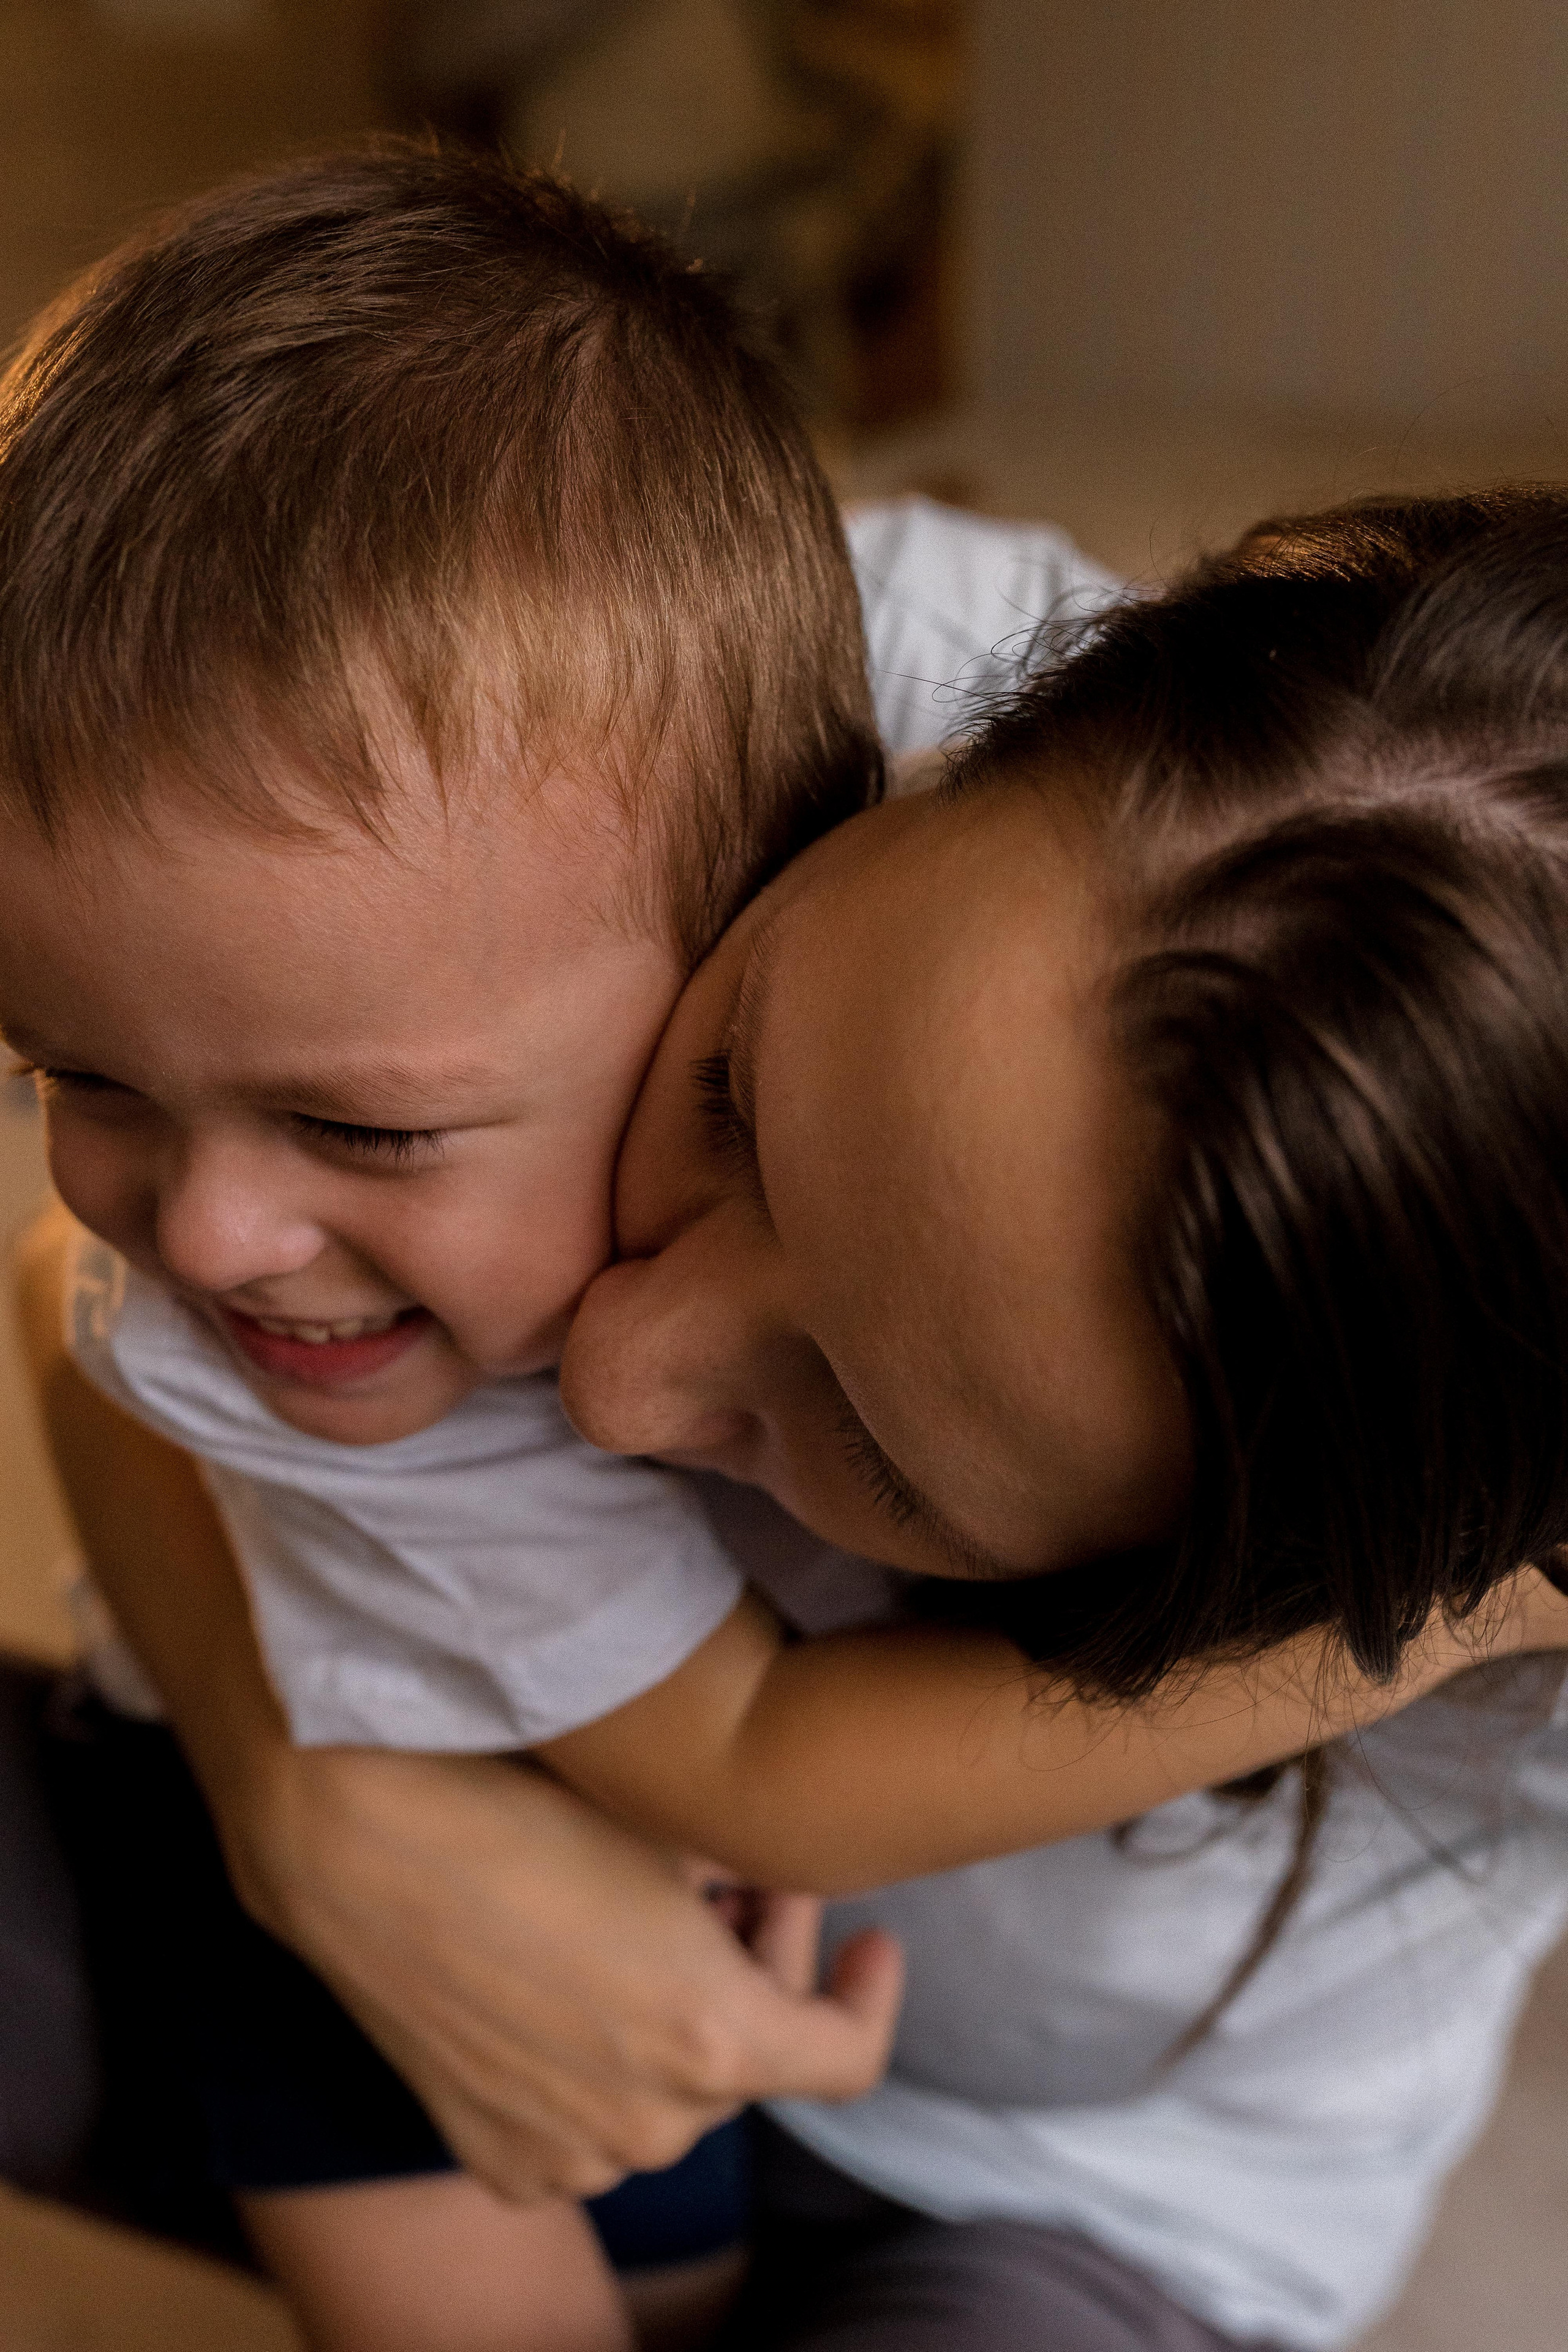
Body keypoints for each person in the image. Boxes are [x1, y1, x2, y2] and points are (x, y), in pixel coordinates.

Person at [0, 143, 1474, 2352]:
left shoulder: (1482, 1495)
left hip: (1048, 2183)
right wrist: (303, 1805)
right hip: (385, 1863)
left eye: (883, 1425)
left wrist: (1435, 1619)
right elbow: (103, 1311)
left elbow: (765, 1768)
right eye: (63, 1070)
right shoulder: (721, 696)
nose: (620, 1378)